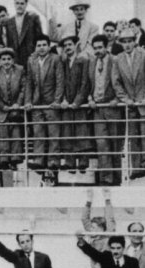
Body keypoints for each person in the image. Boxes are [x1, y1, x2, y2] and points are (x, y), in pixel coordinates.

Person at [112, 28, 145, 179]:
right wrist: (125, 99)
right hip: (130, 103)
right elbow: (116, 82)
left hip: (143, 102)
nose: (127, 45)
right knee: (133, 137)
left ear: (135, 41)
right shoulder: (118, 59)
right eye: (124, 42)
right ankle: (136, 168)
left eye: (130, 41)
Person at [25, 34, 64, 172]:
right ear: (35, 47)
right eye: (38, 45)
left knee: (54, 133)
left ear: (48, 46)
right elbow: (29, 82)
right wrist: (28, 101)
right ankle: (38, 160)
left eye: (43, 45)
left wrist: (57, 100)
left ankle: (54, 160)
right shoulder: (32, 61)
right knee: (38, 133)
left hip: (51, 103)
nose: (41, 48)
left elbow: (60, 81)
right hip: (37, 103)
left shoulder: (56, 59)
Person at [88, 34, 122, 185]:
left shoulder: (115, 60)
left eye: (100, 47)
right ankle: (105, 179)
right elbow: (89, 83)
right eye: (95, 48)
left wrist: (118, 99)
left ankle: (116, 179)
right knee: (102, 145)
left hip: (112, 107)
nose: (98, 51)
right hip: (97, 109)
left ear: (107, 47)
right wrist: (90, 98)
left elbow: (123, 81)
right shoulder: (92, 62)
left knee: (115, 144)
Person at [0, 48, 26, 170]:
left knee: (15, 133)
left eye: (9, 59)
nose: (6, 61)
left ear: (13, 60)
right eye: (3, 59)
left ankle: (15, 159)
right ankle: (4, 159)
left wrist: (18, 103)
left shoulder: (20, 70)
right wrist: (1, 105)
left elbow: (24, 88)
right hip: (2, 109)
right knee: (2, 134)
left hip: (15, 107)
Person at [60, 31, 91, 172]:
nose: (68, 47)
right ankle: (70, 162)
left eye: (70, 44)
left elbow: (85, 83)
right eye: (65, 45)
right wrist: (65, 100)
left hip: (80, 104)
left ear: (75, 45)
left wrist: (77, 102)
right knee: (67, 132)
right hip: (67, 104)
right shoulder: (63, 63)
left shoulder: (83, 61)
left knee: (81, 131)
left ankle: (83, 161)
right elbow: (61, 83)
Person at [81, 188, 115, 268]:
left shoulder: (108, 236)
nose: (91, 230)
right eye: (91, 228)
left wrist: (107, 199)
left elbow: (110, 218)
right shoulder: (92, 237)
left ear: (102, 228)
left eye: (94, 228)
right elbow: (84, 219)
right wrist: (89, 200)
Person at [0, 0, 42, 68]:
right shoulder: (10, 22)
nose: (19, 6)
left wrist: (35, 53)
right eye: (17, 3)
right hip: (16, 59)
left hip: (31, 57)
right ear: (14, 4)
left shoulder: (33, 18)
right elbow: (9, 43)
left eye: (22, 3)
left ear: (26, 4)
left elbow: (40, 37)